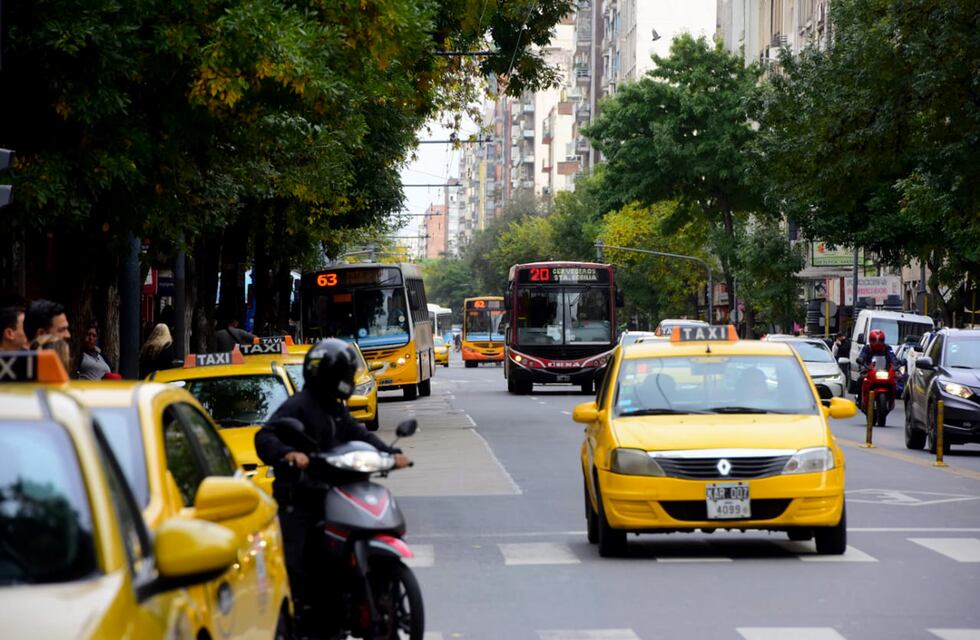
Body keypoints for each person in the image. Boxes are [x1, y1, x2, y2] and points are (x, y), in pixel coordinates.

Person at [255, 339, 411, 637]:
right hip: (300, 497)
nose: (348, 381)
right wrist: (289, 455)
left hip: (333, 492)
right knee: (300, 565)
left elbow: (359, 433)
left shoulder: (335, 408)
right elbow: (266, 437)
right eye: (344, 374)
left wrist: (389, 455)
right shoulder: (298, 405)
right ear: (326, 375)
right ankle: (302, 618)